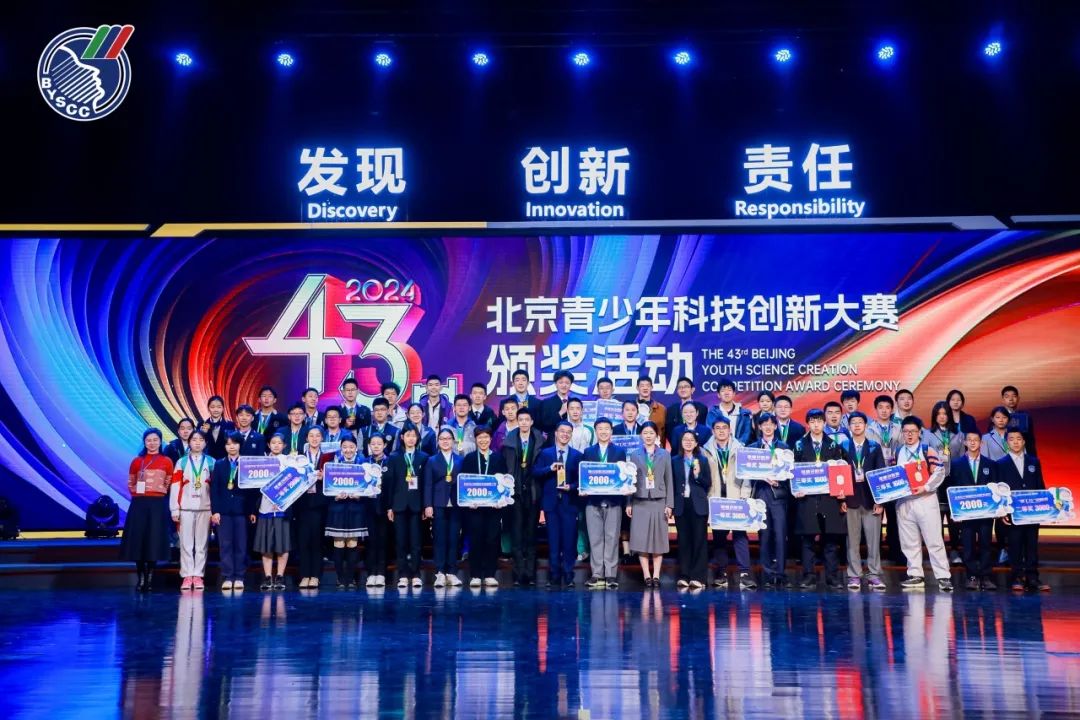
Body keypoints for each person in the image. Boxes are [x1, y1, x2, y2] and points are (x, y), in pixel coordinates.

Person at [791, 409, 848, 590]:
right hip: (806, 499)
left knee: (830, 540)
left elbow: (841, 471)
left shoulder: (834, 445)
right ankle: (808, 576)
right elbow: (792, 471)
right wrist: (796, 489)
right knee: (807, 540)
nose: (816, 425)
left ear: (824, 423)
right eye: (812, 421)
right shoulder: (799, 445)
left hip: (828, 499)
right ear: (808, 424)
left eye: (819, 421)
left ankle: (832, 576)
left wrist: (842, 496)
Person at [895, 416, 953, 592]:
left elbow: (939, 472)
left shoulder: (928, 450)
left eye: (913, 431)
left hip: (926, 499)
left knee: (934, 540)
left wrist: (926, 487)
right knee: (909, 541)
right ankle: (915, 575)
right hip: (904, 502)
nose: (909, 435)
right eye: (906, 431)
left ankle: (943, 577)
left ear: (920, 432)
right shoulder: (898, 451)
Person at [120, 429, 174, 592]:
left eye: (155, 440)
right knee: (139, 541)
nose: (152, 443)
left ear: (160, 441)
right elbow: (131, 482)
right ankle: (141, 578)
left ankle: (149, 578)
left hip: (157, 505)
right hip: (139, 505)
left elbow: (168, 482)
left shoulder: (167, 461)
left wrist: (157, 492)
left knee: (153, 540)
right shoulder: (137, 461)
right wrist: (139, 494)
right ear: (144, 442)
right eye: (149, 440)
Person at [704, 416, 754, 589]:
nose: (721, 431)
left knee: (740, 536)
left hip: (736, 498)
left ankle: (745, 573)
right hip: (716, 499)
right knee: (719, 538)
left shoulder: (740, 449)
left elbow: (746, 475)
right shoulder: (705, 450)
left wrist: (745, 496)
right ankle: (722, 572)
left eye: (724, 427)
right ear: (713, 431)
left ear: (730, 430)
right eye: (717, 428)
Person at [997, 429, 1049, 592]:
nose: (1015, 442)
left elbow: (1040, 485)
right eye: (1011, 439)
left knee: (1032, 545)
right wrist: (1002, 511)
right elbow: (999, 490)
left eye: (1019, 439)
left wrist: (1045, 507)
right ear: (1007, 443)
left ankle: (1033, 577)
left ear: (1024, 441)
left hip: (1032, 512)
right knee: (1015, 545)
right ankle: (1017, 577)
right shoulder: (1000, 463)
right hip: (1013, 513)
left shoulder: (1034, 461)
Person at [841, 412, 888, 591]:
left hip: (871, 500)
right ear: (849, 427)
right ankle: (854, 574)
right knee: (852, 540)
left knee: (873, 540)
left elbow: (880, 474)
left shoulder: (875, 447)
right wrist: (841, 498)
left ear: (866, 426)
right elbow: (839, 474)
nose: (857, 425)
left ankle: (874, 574)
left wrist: (880, 500)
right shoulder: (843, 446)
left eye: (860, 422)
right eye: (853, 423)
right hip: (850, 499)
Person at [534, 422, 583, 588]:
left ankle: (568, 575)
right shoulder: (545, 453)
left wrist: (572, 487)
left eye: (568, 432)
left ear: (571, 435)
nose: (565, 434)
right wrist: (549, 468)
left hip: (569, 503)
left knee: (569, 542)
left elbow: (581, 480)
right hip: (551, 504)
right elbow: (535, 472)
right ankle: (553, 575)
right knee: (553, 541)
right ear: (555, 433)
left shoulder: (577, 455)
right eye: (562, 431)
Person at [627, 422, 674, 588]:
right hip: (639, 501)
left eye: (651, 433)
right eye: (645, 433)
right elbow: (630, 480)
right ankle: (647, 575)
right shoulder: (634, 455)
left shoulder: (665, 454)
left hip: (659, 501)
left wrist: (669, 504)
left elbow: (669, 480)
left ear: (657, 436)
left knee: (658, 540)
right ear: (641, 435)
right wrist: (629, 502)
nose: (648, 436)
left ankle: (656, 575)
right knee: (641, 540)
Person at [581, 418, 627, 589]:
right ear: (596, 431)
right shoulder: (588, 452)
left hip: (614, 501)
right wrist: (583, 488)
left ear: (611, 431)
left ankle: (611, 574)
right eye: (600, 429)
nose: (603, 432)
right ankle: (596, 574)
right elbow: (584, 476)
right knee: (595, 538)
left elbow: (623, 475)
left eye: (607, 428)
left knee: (612, 538)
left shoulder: (619, 452)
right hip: (592, 501)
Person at [747, 414, 791, 589]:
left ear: (775, 426)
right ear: (759, 427)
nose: (767, 427)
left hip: (778, 495)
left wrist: (779, 480)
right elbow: (746, 472)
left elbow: (790, 473)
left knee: (780, 535)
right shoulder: (752, 448)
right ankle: (767, 574)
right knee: (764, 536)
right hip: (760, 494)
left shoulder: (783, 447)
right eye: (764, 424)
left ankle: (780, 573)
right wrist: (760, 476)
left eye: (771, 424)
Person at [501, 406, 544, 585]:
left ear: (532, 422)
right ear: (517, 422)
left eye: (527, 420)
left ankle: (531, 574)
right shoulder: (509, 442)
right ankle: (518, 574)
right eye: (521, 420)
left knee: (531, 533)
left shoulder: (540, 441)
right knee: (517, 533)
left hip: (533, 492)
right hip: (515, 492)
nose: (524, 423)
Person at [949, 432, 997, 591]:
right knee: (968, 545)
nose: (972, 442)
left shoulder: (990, 464)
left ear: (981, 443)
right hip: (966, 513)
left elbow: (995, 488)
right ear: (964, 443)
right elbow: (952, 488)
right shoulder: (956, 464)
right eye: (969, 440)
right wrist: (954, 511)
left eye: (976, 440)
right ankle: (971, 576)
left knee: (985, 545)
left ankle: (986, 576)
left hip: (986, 512)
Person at [461, 427, 507, 588]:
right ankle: (475, 575)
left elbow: (504, 481)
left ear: (491, 439)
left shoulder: (498, 458)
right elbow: (464, 482)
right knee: (476, 540)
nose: (483, 440)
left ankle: (489, 574)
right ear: (475, 439)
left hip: (494, 508)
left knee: (492, 540)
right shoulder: (469, 458)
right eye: (480, 437)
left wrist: (501, 500)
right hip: (474, 508)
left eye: (486, 437)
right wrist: (468, 500)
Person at [171, 430, 215, 591]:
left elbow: (216, 489)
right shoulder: (181, 462)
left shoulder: (211, 462)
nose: (197, 442)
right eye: (194, 439)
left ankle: (198, 575)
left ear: (205, 443)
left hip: (206, 508)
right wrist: (174, 509)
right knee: (186, 544)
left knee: (202, 544)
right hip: (185, 508)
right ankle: (187, 575)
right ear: (189, 442)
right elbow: (175, 487)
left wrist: (215, 510)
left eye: (201, 440)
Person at [386, 426, 429, 589]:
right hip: (398, 504)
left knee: (416, 542)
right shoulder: (394, 457)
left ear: (417, 438)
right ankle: (403, 574)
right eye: (408, 435)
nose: (411, 438)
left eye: (414, 436)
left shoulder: (424, 457)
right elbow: (390, 483)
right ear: (402, 437)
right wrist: (389, 507)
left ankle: (416, 574)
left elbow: (425, 484)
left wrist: (425, 505)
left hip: (417, 505)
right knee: (400, 541)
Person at [210, 433, 252, 590]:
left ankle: (240, 576)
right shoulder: (219, 464)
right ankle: (228, 576)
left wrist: (251, 511)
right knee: (225, 544)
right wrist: (215, 511)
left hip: (242, 510)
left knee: (241, 545)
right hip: (224, 511)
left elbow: (252, 490)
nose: (231, 447)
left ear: (240, 445)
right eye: (228, 444)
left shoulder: (247, 463)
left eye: (234, 443)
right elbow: (214, 490)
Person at [324, 435, 367, 590]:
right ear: (341, 448)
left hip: (356, 508)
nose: (348, 450)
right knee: (339, 543)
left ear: (356, 448)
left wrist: (360, 495)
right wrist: (334, 496)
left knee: (352, 543)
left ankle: (350, 578)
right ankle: (340, 578)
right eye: (345, 447)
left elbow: (369, 486)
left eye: (351, 447)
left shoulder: (363, 464)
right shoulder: (333, 464)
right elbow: (327, 487)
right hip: (338, 508)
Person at [671, 429, 711, 590]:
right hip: (681, 504)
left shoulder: (702, 460)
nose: (688, 442)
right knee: (684, 541)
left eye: (691, 440)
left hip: (698, 505)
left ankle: (698, 577)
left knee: (699, 540)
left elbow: (707, 483)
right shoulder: (674, 460)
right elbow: (672, 484)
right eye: (685, 439)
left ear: (696, 443)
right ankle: (684, 575)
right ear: (681, 442)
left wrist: (697, 475)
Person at [424, 428, 464, 587]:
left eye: (448, 438)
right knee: (439, 538)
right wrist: (428, 505)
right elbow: (427, 484)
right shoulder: (432, 460)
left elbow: (464, 482)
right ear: (438, 442)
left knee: (454, 538)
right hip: (438, 502)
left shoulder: (460, 459)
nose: (445, 441)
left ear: (453, 441)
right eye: (442, 439)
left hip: (456, 504)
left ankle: (452, 572)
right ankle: (440, 572)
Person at [252, 434, 290, 590]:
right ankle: (268, 577)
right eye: (273, 442)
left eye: (279, 443)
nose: (276, 445)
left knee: (283, 544)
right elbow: (254, 486)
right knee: (266, 545)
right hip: (265, 508)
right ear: (268, 445)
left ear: (284, 445)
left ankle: (280, 576)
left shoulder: (289, 462)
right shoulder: (261, 462)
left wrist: (281, 500)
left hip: (283, 508)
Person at [930, 400, 965, 565]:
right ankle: (939, 553)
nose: (942, 417)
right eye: (939, 414)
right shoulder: (928, 434)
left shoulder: (959, 435)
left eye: (945, 413)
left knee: (954, 519)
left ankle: (955, 550)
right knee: (936, 519)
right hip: (936, 481)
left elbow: (963, 459)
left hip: (954, 480)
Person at [294, 426, 330, 588]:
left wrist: (324, 477)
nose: (314, 439)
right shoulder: (299, 458)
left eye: (317, 436)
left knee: (316, 540)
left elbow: (334, 478)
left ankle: (315, 575)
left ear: (322, 438)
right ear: (306, 438)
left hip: (320, 504)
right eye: (311, 436)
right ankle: (304, 575)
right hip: (302, 503)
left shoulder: (328, 457)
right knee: (303, 540)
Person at [364, 433, 391, 588]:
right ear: (369, 445)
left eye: (379, 444)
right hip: (367, 507)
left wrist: (391, 507)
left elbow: (393, 486)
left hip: (384, 507)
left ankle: (381, 573)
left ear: (384, 445)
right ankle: (371, 573)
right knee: (370, 541)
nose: (376, 446)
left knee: (383, 541)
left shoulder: (390, 462)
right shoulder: (364, 462)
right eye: (373, 443)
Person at [705, 378, 752, 445]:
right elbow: (710, 433)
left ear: (734, 394)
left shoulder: (744, 414)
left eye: (729, 390)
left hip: (739, 448)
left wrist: (737, 446)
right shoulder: (712, 413)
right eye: (723, 391)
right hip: (718, 448)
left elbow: (746, 434)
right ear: (718, 395)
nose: (726, 393)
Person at [538, 370, 575, 443]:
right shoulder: (547, 402)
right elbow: (544, 426)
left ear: (570, 385)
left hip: (573, 441)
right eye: (561, 382)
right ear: (555, 384)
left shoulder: (574, 403)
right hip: (553, 442)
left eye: (567, 383)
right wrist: (560, 413)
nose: (564, 385)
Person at [1000, 385, 1037, 456]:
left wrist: (1033, 458)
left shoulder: (1025, 417)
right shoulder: (997, 418)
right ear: (1003, 400)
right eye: (1007, 397)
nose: (1011, 399)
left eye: (1014, 396)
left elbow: (1030, 441)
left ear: (1018, 398)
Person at [200, 395, 235, 460]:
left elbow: (233, 444)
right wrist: (203, 433)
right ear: (208, 408)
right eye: (212, 407)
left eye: (219, 407)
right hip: (206, 460)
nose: (216, 410)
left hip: (225, 460)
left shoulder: (230, 425)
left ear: (223, 408)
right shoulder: (202, 424)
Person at [635, 376, 667, 444]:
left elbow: (664, 433)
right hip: (636, 446)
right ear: (637, 388)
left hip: (656, 447)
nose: (645, 388)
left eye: (648, 385)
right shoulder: (631, 408)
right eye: (642, 386)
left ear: (651, 388)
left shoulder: (661, 409)